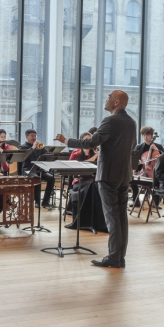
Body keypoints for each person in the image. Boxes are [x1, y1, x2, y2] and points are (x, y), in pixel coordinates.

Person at [55, 89, 136, 268]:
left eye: (109, 97)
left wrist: (66, 140)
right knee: (121, 217)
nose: (106, 100)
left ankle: (114, 258)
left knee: (112, 218)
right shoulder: (131, 122)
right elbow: (133, 146)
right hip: (124, 175)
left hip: (108, 175)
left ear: (116, 102)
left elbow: (90, 143)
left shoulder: (110, 120)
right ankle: (120, 257)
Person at [64, 133, 106, 232]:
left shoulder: (96, 152)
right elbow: (71, 169)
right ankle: (84, 221)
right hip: (79, 181)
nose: (88, 142)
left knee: (97, 187)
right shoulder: (75, 153)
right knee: (92, 186)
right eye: (86, 140)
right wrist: (96, 155)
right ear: (82, 141)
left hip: (93, 181)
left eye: (90, 139)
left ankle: (97, 222)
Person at [20, 129, 55, 209]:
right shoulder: (22, 147)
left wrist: (43, 148)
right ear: (26, 136)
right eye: (32, 136)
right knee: (37, 178)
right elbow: (27, 157)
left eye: (35, 136)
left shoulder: (39, 146)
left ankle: (45, 201)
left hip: (39, 169)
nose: (34, 138)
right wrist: (33, 148)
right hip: (28, 170)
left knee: (51, 178)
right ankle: (37, 201)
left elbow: (47, 155)